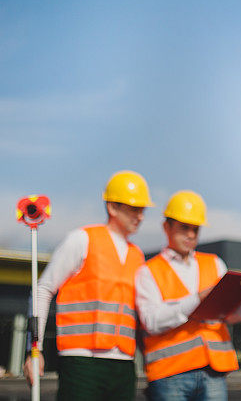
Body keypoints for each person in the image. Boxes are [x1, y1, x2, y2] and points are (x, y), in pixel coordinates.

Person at [23, 170, 153, 401]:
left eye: (143, 210)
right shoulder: (82, 239)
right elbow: (43, 289)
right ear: (112, 207)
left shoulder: (138, 256)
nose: (140, 216)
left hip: (123, 365)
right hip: (82, 361)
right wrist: (34, 350)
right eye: (134, 209)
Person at [136, 190, 241, 401]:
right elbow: (151, 322)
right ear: (166, 226)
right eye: (184, 227)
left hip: (213, 373)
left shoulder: (214, 264)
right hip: (170, 375)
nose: (190, 235)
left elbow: (230, 316)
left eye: (196, 229)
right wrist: (198, 299)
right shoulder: (147, 272)